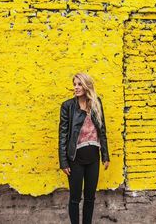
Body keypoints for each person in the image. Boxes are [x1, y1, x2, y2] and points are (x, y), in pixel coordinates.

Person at [58, 72, 110, 224]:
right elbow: (63, 135)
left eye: (79, 84)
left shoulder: (96, 103)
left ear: (87, 85)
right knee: (75, 199)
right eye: (74, 84)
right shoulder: (68, 106)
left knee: (90, 198)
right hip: (75, 159)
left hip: (93, 157)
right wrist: (64, 162)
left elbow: (102, 131)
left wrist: (105, 155)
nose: (76, 87)